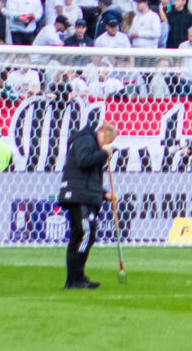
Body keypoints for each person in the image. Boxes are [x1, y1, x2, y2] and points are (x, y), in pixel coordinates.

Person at [58, 118, 117, 290]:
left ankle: (74, 279)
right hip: (79, 196)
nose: (107, 145)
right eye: (107, 141)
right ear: (101, 134)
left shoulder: (92, 144)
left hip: (83, 194)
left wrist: (105, 194)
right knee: (87, 234)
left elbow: (89, 178)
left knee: (79, 236)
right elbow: (84, 161)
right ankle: (76, 278)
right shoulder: (85, 139)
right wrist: (103, 154)